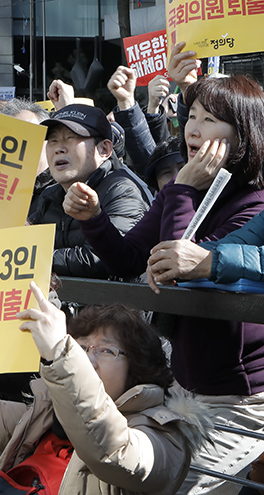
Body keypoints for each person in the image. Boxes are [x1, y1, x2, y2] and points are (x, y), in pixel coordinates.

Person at [0, 194, 211, 495]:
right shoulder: (47, 413)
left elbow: (112, 450)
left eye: (106, 350)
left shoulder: (163, 436)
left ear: (139, 369)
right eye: (82, 348)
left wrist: (61, 353)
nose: (88, 359)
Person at [64, 73, 264, 494]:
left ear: (243, 133)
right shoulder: (180, 188)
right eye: (191, 115)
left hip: (238, 400)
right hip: (184, 388)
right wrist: (94, 220)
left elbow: (182, 275)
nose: (193, 128)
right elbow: (129, 257)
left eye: (210, 119)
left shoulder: (254, 203)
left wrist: (185, 188)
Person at [28, 103, 152, 278]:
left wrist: (31, 259)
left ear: (104, 149)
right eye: (53, 140)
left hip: (113, 304)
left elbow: (99, 259)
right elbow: (22, 242)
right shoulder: (50, 195)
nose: (59, 148)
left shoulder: (122, 191)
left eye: (70, 138)